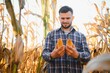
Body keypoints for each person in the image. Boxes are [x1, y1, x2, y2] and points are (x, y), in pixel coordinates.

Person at [42, 6, 91, 73]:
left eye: (68, 18)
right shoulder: (51, 35)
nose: (65, 21)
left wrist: (77, 55)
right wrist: (52, 55)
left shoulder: (81, 36)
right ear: (59, 18)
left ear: (72, 18)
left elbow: (88, 56)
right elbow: (44, 54)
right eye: (62, 18)